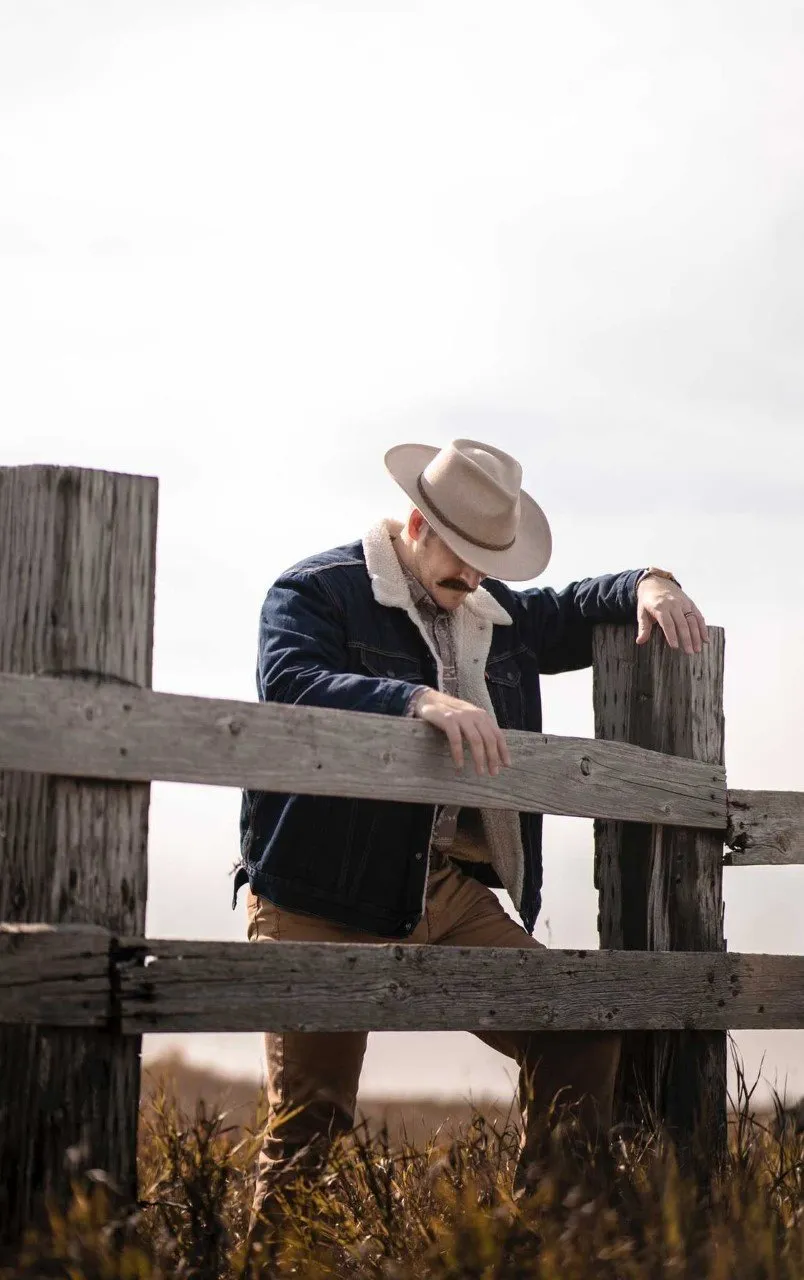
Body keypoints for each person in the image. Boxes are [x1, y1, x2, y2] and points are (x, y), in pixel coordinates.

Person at [235, 438, 708, 1237]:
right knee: (311, 1121)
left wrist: (652, 580)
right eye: (465, 562)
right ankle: (266, 1258)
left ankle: (543, 1235)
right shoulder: (315, 590)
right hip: (320, 890)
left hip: (442, 890)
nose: (476, 583)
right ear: (416, 525)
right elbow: (289, 685)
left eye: (491, 565)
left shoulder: (493, 610)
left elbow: (582, 601)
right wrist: (413, 698)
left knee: (576, 1023)